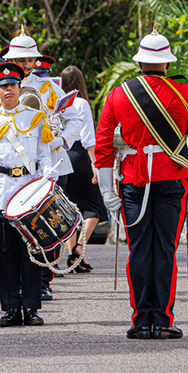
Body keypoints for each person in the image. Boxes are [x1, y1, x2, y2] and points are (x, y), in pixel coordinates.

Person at [95, 27, 188, 339]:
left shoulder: (119, 93)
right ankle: (162, 319)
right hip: (172, 179)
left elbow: (103, 146)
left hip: (134, 180)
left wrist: (107, 192)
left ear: (139, 63)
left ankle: (140, 320)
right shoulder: (186, 95)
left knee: (139, 251)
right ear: (168, 64)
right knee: (165, 250)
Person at [1, 27, 82, 300]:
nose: (25, 65)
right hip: (13, 168)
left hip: (49, 164)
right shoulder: (0, 89)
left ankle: (44, 279)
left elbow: (75, 120)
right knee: (14, 228)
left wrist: (58, 142)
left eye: (29, 60)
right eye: (20, 60)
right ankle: (18, 285)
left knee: (47, 223)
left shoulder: (50, 87)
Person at [0, 62, 53, 327]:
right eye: (3, 87)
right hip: (1, 190)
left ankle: (31, 307)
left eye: (12, 86)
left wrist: (47, 183)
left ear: (20, 89)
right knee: (7, 254)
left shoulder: (35, 118)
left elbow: (44, 157)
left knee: (31, 250)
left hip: (28, 190)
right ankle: (10, 308)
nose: (8, 91)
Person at [59, 65, 107, 272]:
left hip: (59, 155)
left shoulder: (55, 103)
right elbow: (88, 138)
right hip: (78, 155)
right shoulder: (81, 103)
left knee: (70, 208)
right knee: (95, 206)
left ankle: (74, 257)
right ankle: (80, 247)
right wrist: (95, 164)